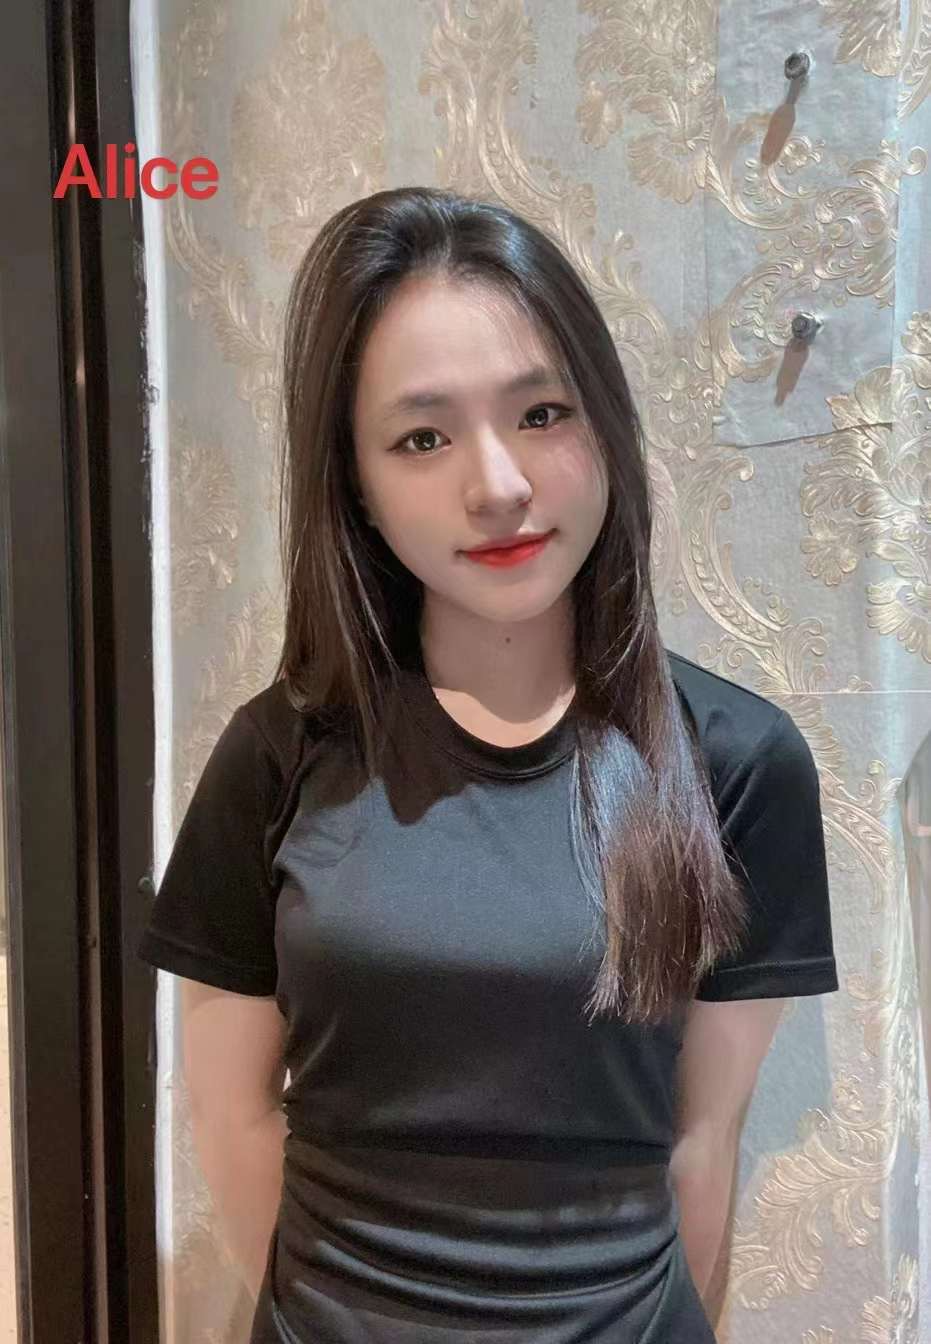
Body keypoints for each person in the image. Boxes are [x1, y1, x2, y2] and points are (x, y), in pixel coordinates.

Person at [136, 186, 840, 1343]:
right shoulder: (278, 754)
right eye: (422, 438)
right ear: (357, 487)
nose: (498, 485)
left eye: (542, 413)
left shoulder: (739, 762)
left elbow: (702, 1143)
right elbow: (231, 1119)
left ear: (606, 426)